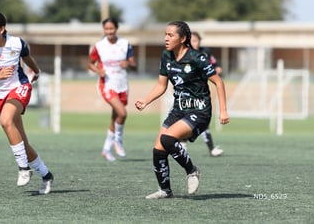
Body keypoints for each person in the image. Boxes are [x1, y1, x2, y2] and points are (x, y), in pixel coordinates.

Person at [135, 21, 229, 199]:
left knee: (168, 139)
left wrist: (223, 110)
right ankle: (165, 190)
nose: (166, 38)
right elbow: (161, 85)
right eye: (165, 34)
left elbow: (218, 82)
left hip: (200, 110)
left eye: (170, 35)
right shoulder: (166, 56)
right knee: (158, 149)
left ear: (183, 38)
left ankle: (192, 171)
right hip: (178, 110)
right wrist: (146, 101)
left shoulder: (197, 58)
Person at [0, 11, 54, 195]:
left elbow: (26, 56)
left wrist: (36, 71)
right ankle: (47, 175)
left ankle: (24, 169)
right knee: (22, 143)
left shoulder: (17, 43)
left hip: (19, 87)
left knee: (6, 120)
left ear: (2, 29)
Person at [88, 17, 137, 162]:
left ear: (116, 28)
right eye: (106, 29)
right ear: (103, 29)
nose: (109, 31)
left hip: (122, 85)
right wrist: (98, 71)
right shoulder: (99, 46)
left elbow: (134, 65)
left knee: (115, 117)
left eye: (112, 28)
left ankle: (106, 149)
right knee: (122, 113)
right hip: (107, 85)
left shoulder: (125, 44)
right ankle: (118, 141)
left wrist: (127, 63)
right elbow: (90, 63)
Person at [179, 31, 224, 157]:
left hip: (201, 92)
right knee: (185, 118)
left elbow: (217, 68)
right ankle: (182, 143)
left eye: (196, 40)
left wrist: (212, 71)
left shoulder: (205, 52)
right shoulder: (184, 54)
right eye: (192, 40)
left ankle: (211, 148)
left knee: (203, 120)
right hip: (187, 92)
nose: (195, 43)